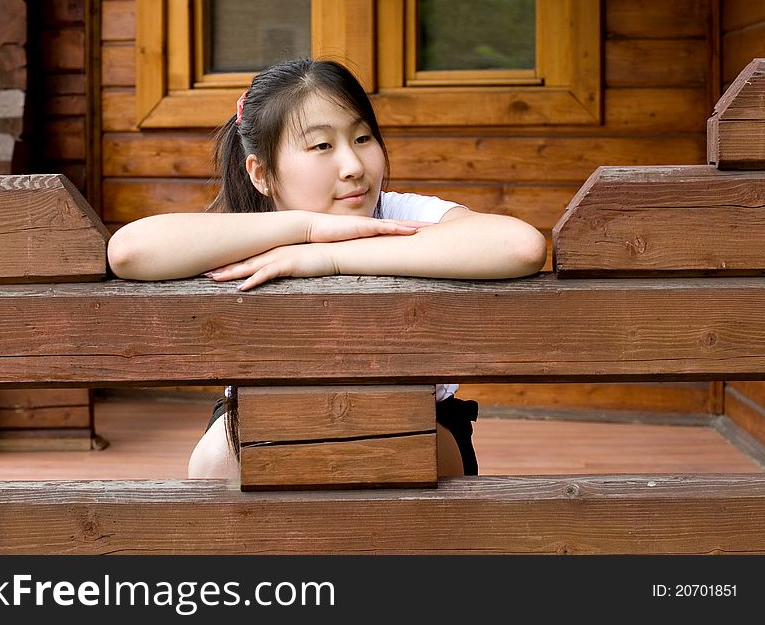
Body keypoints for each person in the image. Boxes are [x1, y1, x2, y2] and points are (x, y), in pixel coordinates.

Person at [106, 58, 547, 479]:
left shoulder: (403, 213)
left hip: (416, 415)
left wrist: (330, 257)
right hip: (265, 420)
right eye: (321, 145)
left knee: (421, 450)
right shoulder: (248, 231)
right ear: (261, 174)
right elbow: (128, 251)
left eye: (362, 138)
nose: (354, 167)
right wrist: (309, 228)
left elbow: (520, 246)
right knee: (215, 461)